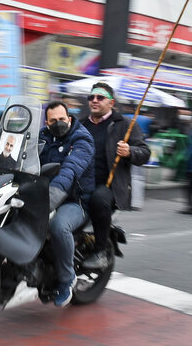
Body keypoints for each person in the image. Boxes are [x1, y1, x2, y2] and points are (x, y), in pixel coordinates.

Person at [80, 82, 150, 269]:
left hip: (109, 187)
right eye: (91, 97)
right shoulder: (80, 125)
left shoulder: (125, 125)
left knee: (99, 198)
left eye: (100, 97)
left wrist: (130, 151)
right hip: (80, 184)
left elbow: (145, 153)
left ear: (111, 103)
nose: (94, 100)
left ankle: (100, 251)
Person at [39, 100, 94, 307]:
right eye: (53, 120)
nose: (58, 123)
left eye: (62, 119)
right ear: (47, 122)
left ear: (69, 119)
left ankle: (66, 279)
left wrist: (51, 199)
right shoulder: (43, 137)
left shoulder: (81, 139)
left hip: (76, 200)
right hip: (44, 194)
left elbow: (69, 170)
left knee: (58, 226)